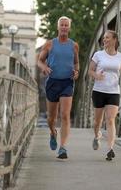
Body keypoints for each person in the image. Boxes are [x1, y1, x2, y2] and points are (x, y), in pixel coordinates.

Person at [37, 16, 79, 159]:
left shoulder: (74, 45)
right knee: (51, 118)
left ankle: (63, 147)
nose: (64, 27)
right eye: (62, 25)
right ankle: (52, 132)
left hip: (67, 82)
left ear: (69, 28)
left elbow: (76, 63)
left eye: (66, 25)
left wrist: (77, 72)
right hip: (52, 83)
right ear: (58, 27)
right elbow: (40, 61)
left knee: (65, 115)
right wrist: (44, 68)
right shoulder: (49, 44)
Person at [88, 30, 121, 161]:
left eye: (107, 37)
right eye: (104, 38)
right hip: (99, 91)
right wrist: (97, 76)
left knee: (110, 119)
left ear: (114, 40)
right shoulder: (98, 55)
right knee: (97, 122)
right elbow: (90, 70)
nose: (104, 40)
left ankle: (110, 148)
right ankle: (96, 135)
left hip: (113, 92)